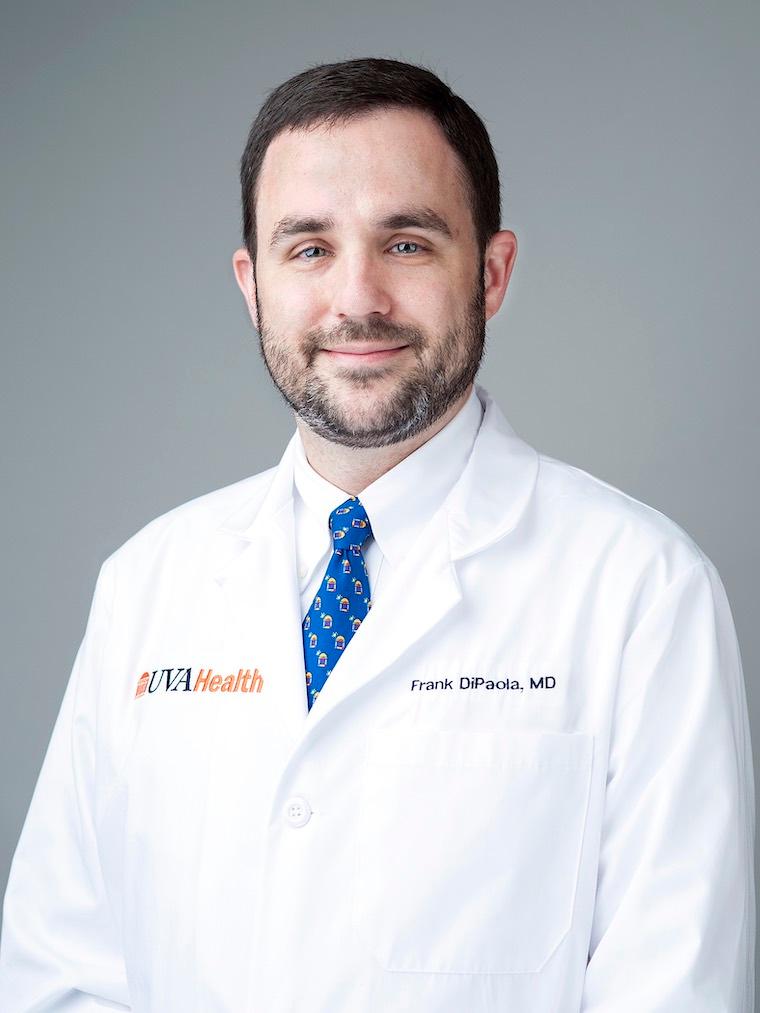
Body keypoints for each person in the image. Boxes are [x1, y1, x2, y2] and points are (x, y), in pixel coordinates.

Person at [0, 55, 754, 1013]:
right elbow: (59, 977)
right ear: (252, 285)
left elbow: (672, 991)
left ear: (492, 272)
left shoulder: (643, 593)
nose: (356, 300)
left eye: (406, 243)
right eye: (308, 248)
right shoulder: (148, 583)